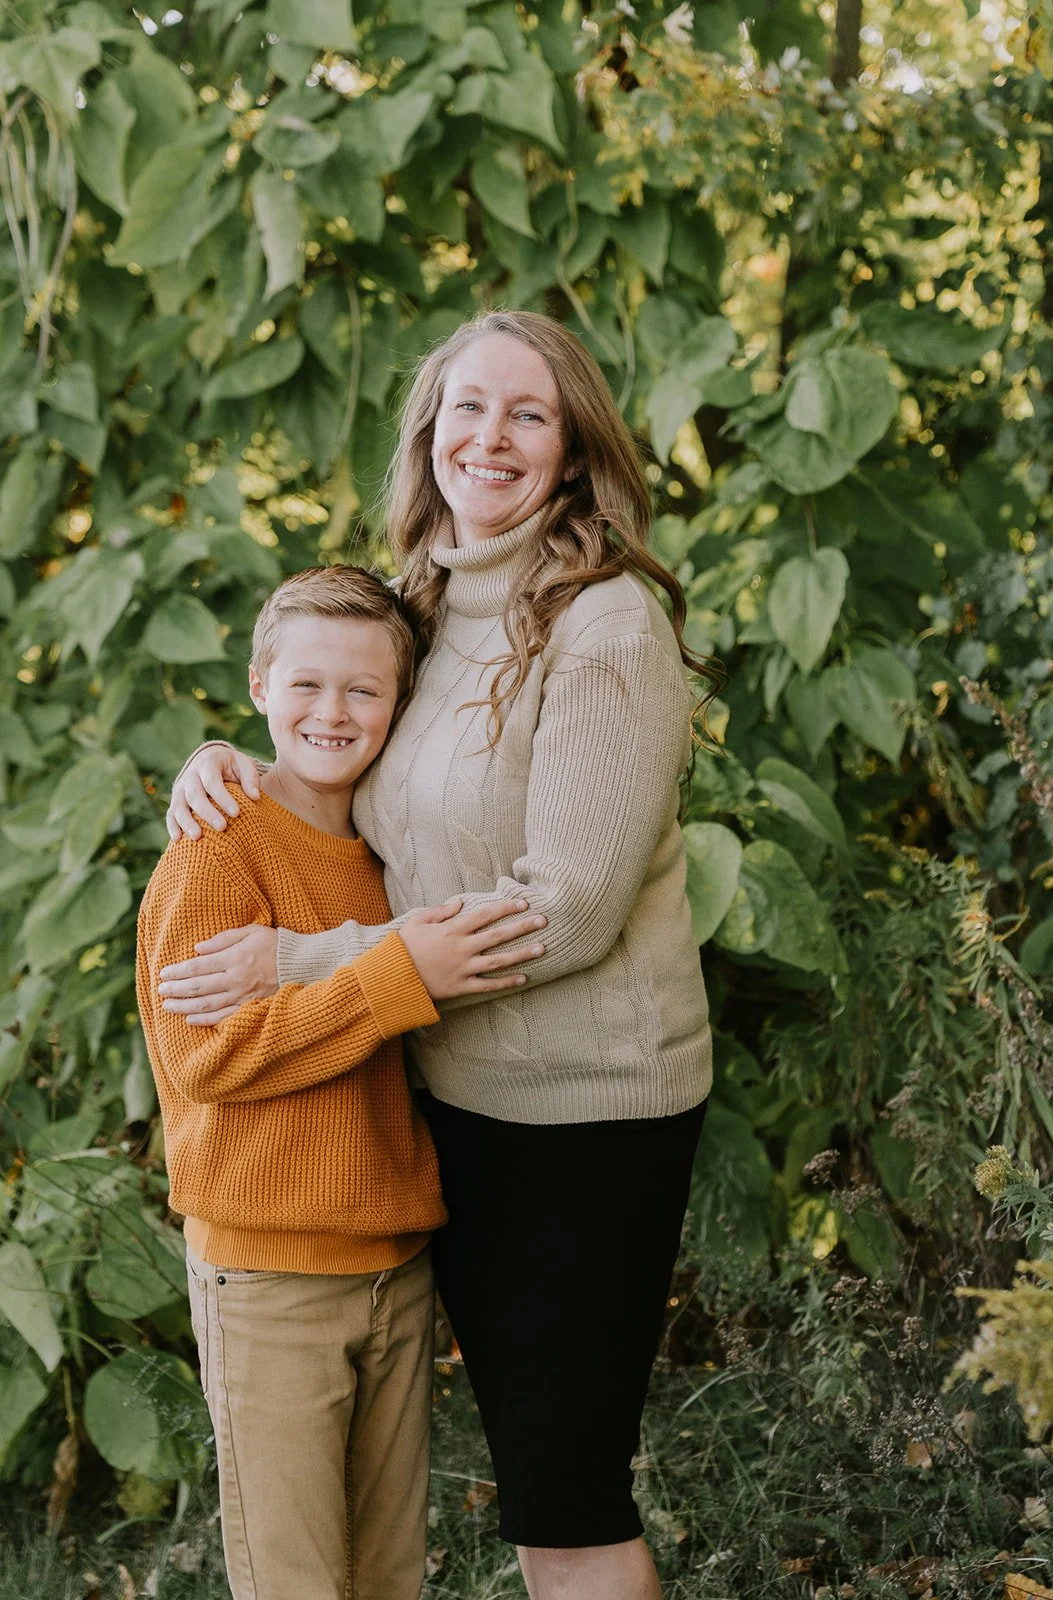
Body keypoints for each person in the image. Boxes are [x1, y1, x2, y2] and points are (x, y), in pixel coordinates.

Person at [162, 310, 716, 1600]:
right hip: (456, 1100)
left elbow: (565, 907)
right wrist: (237, 765)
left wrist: (310, 965)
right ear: (428, 435)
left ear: (573, 448)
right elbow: (354, 764)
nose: (493, 437)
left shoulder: (604, 624)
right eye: (468, 408)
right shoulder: (423, 603)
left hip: (583, 1120)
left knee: (566, 1500)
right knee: (531, 1486)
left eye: (529, 413)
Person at [137, 564, 547, 1600]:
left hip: (394, 1265)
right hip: (270, 1278)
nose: (334, 711)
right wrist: (391, 977)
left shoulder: (390, 849)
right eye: (307, 685)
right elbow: (203, 1056)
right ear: (259, 682)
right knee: (297, 1581)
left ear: (399, 706)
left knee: (386, 1576)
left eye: (364, 690)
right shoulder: (215, 844)